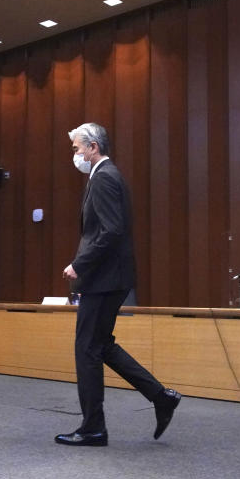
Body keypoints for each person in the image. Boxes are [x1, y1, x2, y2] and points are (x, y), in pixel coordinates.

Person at [57, 123, 181, 446]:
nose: (75, 156)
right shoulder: (105, 176)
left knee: (86, 349)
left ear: (93, 147)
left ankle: (93, 428)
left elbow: (111, 231)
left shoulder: (104, 178)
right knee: (101, 346)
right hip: (109, 278)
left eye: (77, 149)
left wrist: (78, 265)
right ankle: (161, 396)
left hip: (104, 280)